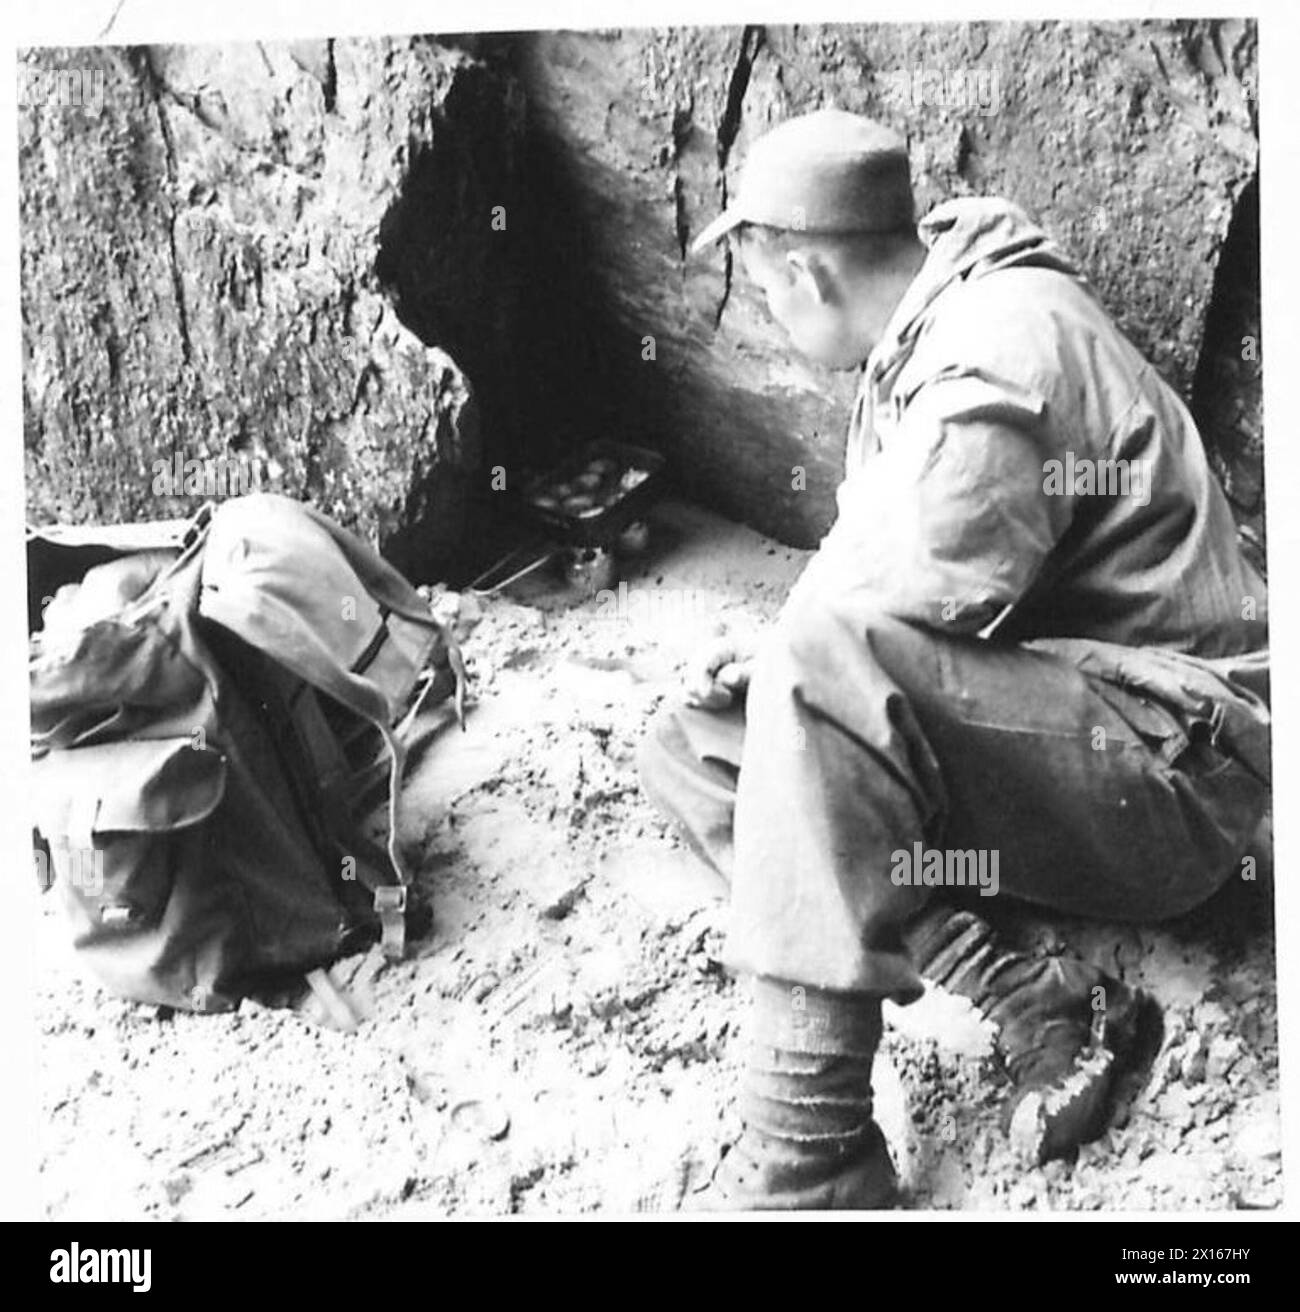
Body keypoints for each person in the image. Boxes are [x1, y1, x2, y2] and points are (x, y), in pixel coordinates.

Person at [637, 108, 1270, 1210]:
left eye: (762, 284)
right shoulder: (938, 319)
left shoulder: (996, 355)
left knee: (810, 688)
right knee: (693, 746)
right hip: (1058, 729)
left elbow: (872, 632)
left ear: (806, 274)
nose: (766, 311)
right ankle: (1026, 991)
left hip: (1176, 771)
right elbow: (873, 590)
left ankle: (812, 1165)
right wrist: (767, 664)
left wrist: (791, 661)